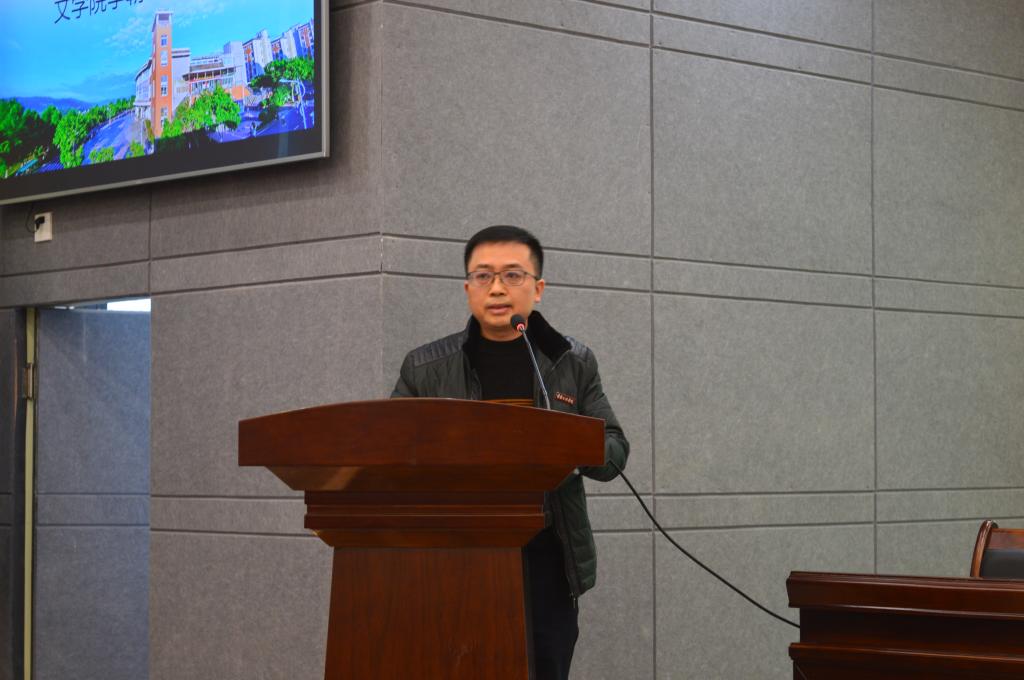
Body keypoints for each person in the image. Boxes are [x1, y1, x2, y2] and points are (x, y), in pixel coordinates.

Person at [391, 225, 629, 680]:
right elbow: (388, 451)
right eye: (483, 276)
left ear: (538, 288)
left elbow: (615, 453)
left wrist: (569, 444)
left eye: (513, 275)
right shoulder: (425, 367)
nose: (497, 288)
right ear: (467, 289)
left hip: (547, 556)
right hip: (456, 557)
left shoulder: (571, 361)